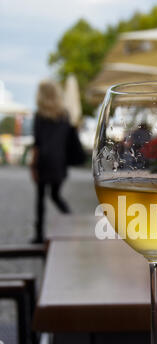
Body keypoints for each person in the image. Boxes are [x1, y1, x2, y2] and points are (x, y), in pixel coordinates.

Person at [30, 80, 71, 243]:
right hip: (59, 161)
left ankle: (39, 234)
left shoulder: (39, 115)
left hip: (43, 161)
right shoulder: (64, 114)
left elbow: (37, 144)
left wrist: (33, 166)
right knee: (55, 195)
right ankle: (71, 219)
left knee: (40, 198)